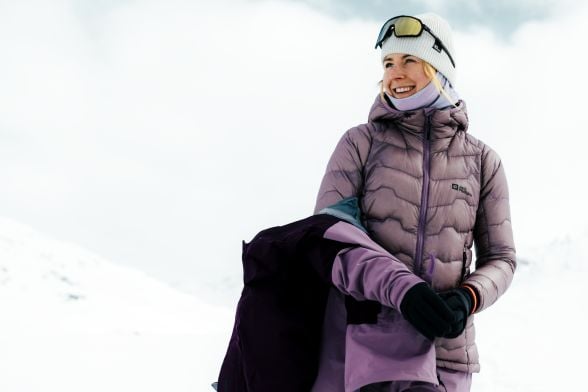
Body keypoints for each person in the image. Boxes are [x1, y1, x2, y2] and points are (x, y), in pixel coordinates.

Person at [312, 13, 516, 392]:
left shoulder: (483, 160)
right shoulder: (360, 144)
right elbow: (331, 242)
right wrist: (403, 289)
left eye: (410, 61)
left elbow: (502, 259)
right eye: (388, 63)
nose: (395, 74)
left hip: (446, 352)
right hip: (366, 346)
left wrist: (467, 299)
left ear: (439, 70)